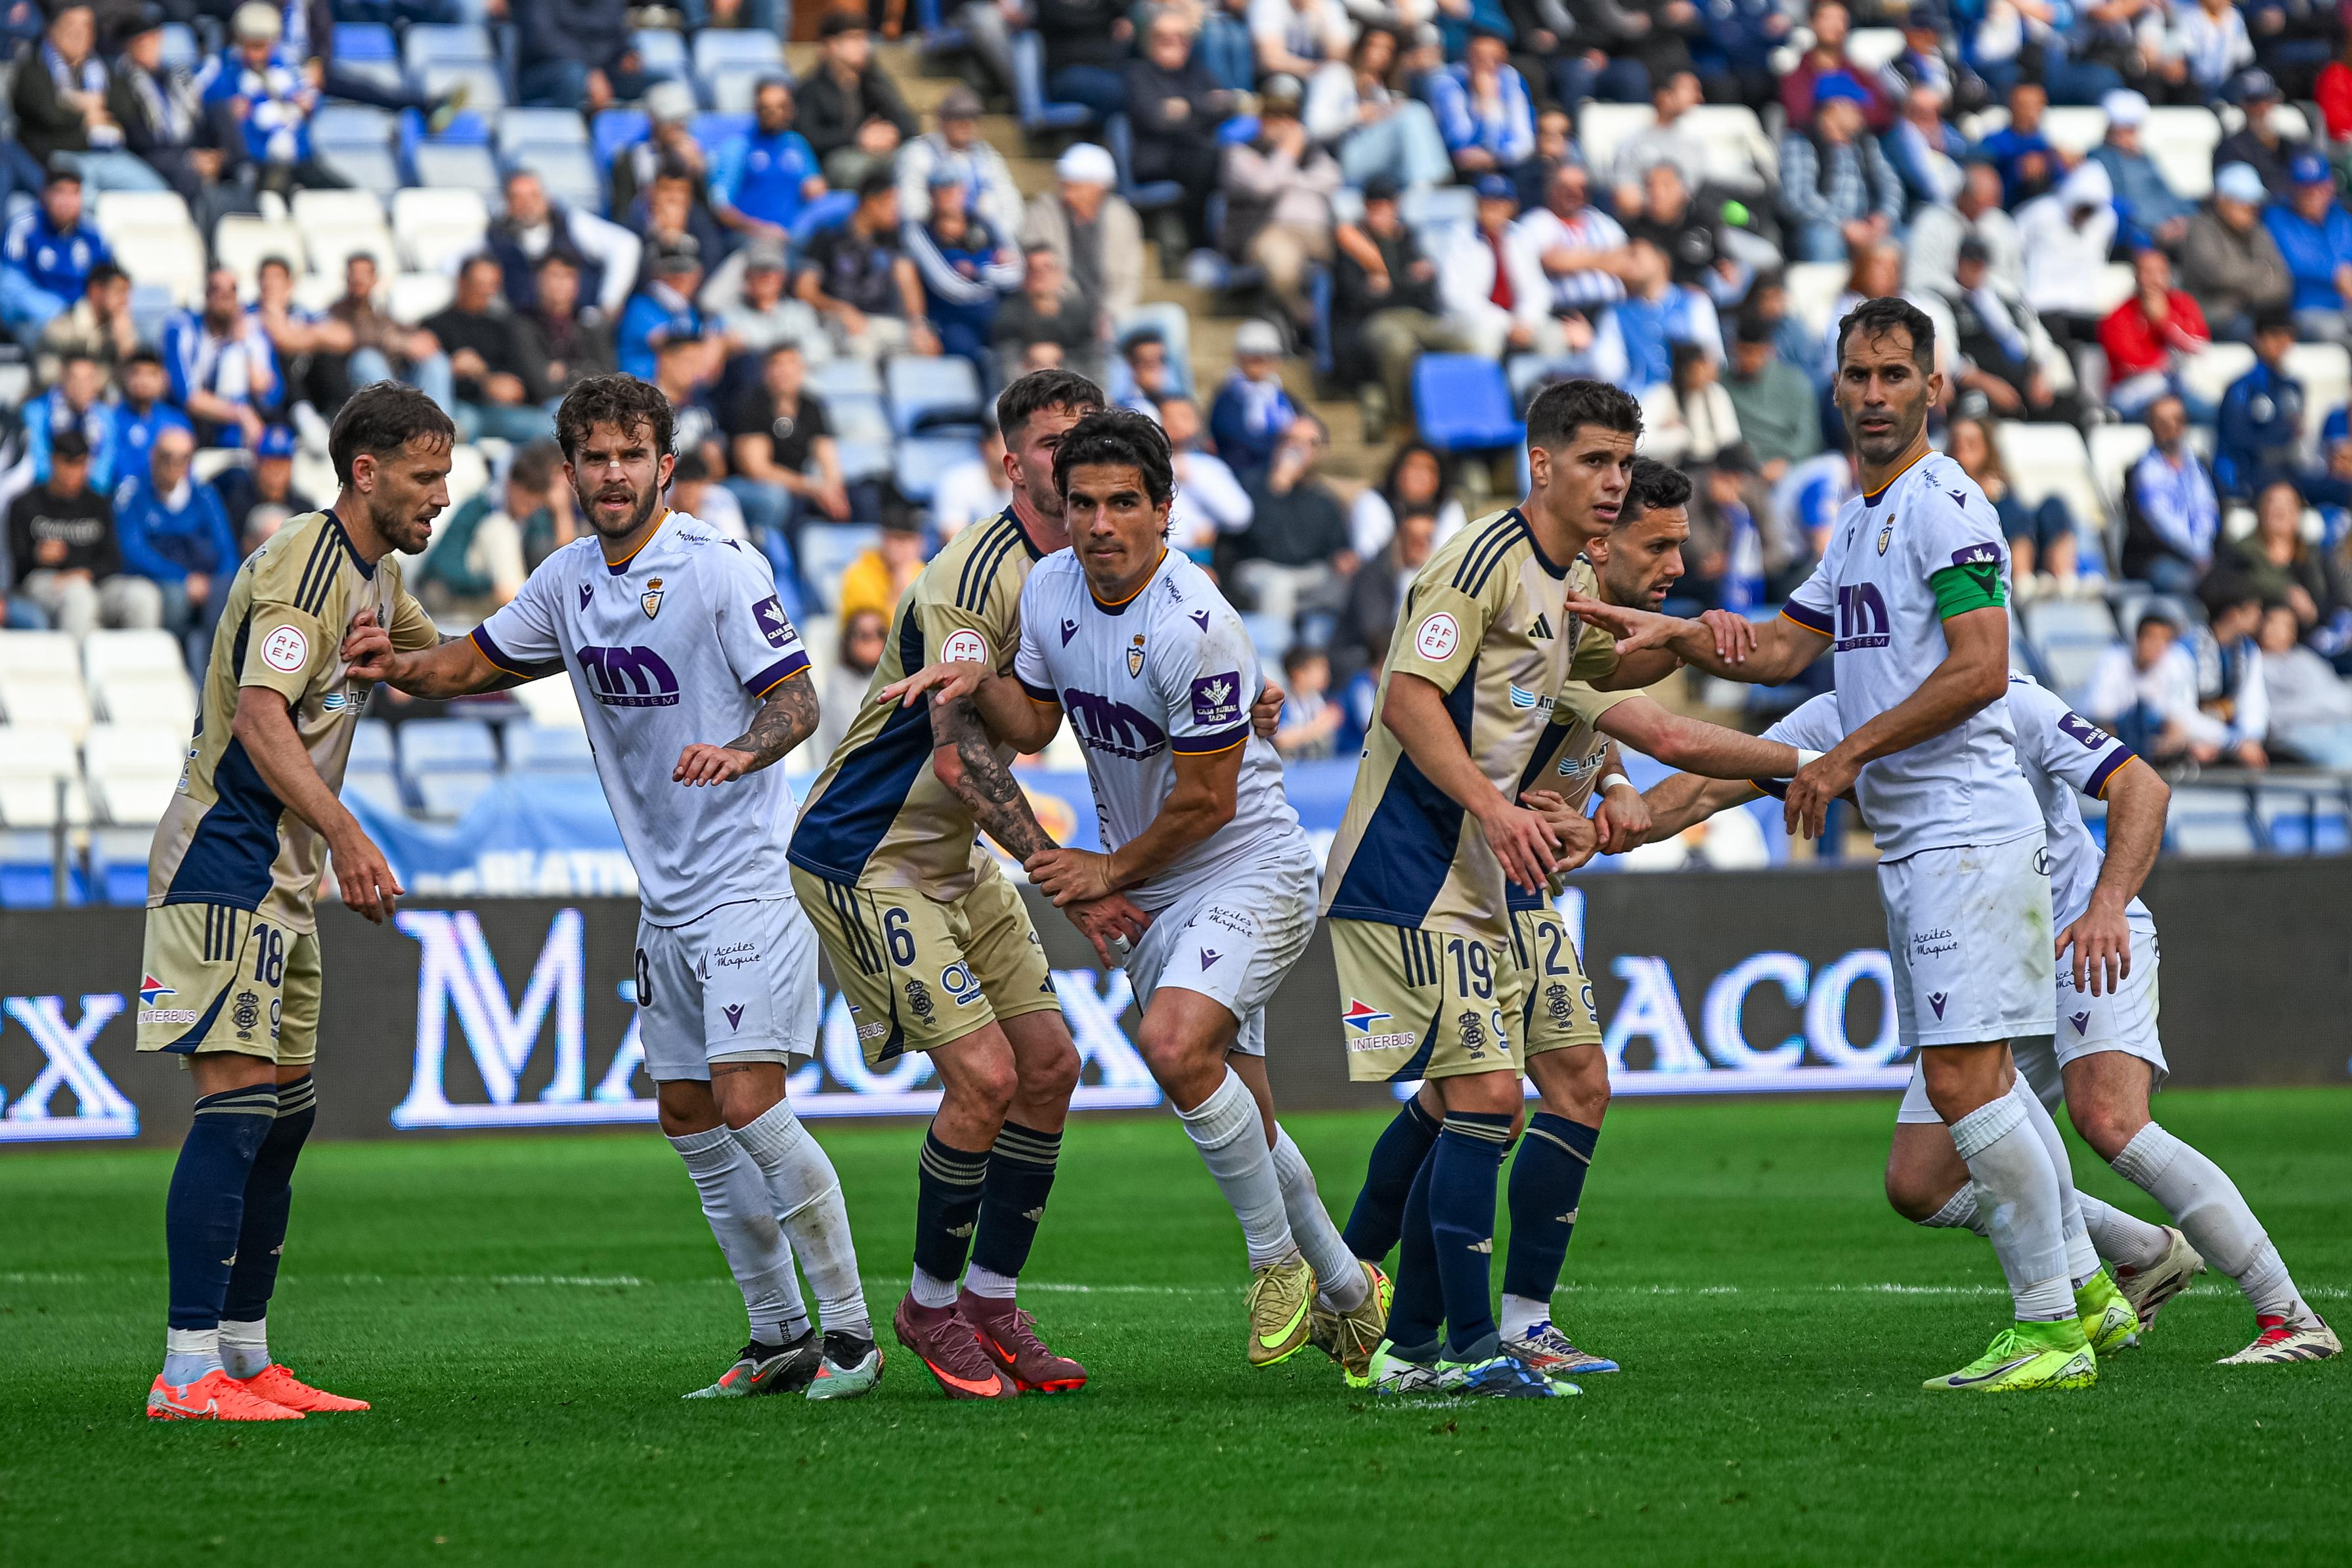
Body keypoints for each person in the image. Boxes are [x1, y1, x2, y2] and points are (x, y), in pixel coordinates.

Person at [1573, 298, 2103, 1393]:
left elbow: (1979, 668)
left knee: (1966, 1082)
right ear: (1835, 386)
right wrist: (1682, 631)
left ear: (1932, 389)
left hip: (1963, 827)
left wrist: (1841, 755)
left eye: (1893, 375)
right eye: (1856, 375)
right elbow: (1780, 647)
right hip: (1920, 840)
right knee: (1980, 1077)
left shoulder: (1945, 507)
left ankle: (2050, 1322)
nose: (1872, 394)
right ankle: (2089, 1291)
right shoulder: (1861, 515)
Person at [340, 374, 879, 1402]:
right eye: (595, 457)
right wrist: (391, 664)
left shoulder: (721, 566)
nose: (614, 473)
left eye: (632, 455)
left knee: (748, 1104)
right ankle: (778, 1337)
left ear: (665, 467)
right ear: (573, 472)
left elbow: (799, 700)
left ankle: (850, 1336)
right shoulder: (567, 580)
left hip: (751, 879)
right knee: (685, 1112)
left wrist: (739, 749)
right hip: (666, 895)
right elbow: (471, 663)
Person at [882, 406, 1389, 1378]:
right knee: (1239, 1107)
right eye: (1082, 504)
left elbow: (1205, 799)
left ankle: (1274, 1264)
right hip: (1158, 888)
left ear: (1166, 511)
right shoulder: (1047, 588)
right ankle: (1353, 1296)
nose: (1100, 524)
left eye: (1124, 504)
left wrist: (1103, 873)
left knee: (1169, 1048)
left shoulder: (1196, 628)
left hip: (1246, 866)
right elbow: (1032, 721)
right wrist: (971, 669)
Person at [1643, 673, 2336, 1364]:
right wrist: (1609, 828)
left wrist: (2106, 905)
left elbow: (2142, 786)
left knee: (2110, 1121)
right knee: (1920, 1184)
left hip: (2081, 934)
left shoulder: (2010, 700)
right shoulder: (1841, 712)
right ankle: (2142, 1254)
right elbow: (1708, 786)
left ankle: (2291, 1318)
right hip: (1988, 967)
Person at [1337, 456, 1802, 1380]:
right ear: (1598, 537)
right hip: (1450, 865)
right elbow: (1636, 717)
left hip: (1519, 866)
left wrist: (1616, 782)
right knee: (1476, 1103)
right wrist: (1810, 758)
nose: (1676, 566)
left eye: (1681, 546)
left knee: (1567, 1085)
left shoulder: (1578, 610)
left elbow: (1594, 713)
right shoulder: (1536, 593)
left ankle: (1506, 1321)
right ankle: (1363, 1297)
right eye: (1657, 546)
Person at [783, 370, 1120, 1402]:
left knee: (1051, 1066)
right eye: (1049, 444)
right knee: (981, 1078)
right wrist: (1071, 881)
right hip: (867, 851)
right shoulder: (968, 579)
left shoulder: (1086, 566)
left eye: (1083, 440)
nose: (1069, 461)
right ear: (1008, 460)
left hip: (955, 854)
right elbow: (959, 756)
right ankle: (927, 1308)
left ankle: (987, 1299)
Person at [1315, 380, 1636, 1397]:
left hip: (1471, 876)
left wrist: (1597, 786)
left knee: (1479, 1105)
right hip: (1405, 866)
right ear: (1540, 463)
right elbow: (1407, 696)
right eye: (1595, 461)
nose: (1614, 483)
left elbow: (1589, 712)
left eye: (1623, 464)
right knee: (1488, 1097)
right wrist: (1496, 812)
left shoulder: (1563, 580)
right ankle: (1453, 1343)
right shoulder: (1483, 559)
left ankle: (1407, 1346)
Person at [135, 383, 446, 1422]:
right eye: (425, 476)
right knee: (232, 1112)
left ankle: (244, 1356)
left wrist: (407, 659)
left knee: (284, 1117)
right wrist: (351, 836)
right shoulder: (305, 569)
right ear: (366, 471)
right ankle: (185, 1377)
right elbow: (265, 722)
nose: (439, 497)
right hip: (225, 861)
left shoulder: (378, 571)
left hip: (283, 880)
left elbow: (437, 661)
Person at [1332, 174, 1463, 440]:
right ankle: (1399, 417)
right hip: (1372, 323)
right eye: (1375, 206)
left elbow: (1426, 288)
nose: (1382, 213)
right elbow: (1357, 298)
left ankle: (1457, 419)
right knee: (1399, 346)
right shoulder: (1352, 240)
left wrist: (1391, 285)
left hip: (1416, 317)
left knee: (1468, 343)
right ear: (1366, 207)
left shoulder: (1407, 237)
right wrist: (1405, 283)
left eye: (1387, 205)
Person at [1219, 76, 1343, 333]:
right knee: (1283, 267)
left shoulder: (1314, 152)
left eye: (1290, 115)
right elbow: (1264, 185)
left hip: (1320, 233)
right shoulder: (1239, 152)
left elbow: (1333, 179)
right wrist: (1289, 149)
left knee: (1355, 256)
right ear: (1261, 117)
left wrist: (1287, 176)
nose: (1283, 123)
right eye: (1274, 115)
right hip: (1267, 233)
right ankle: (1305, 321)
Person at [5, 426, 156, 635]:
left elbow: (113, 560)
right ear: (53, 460)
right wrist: (36, 555)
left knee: (143, 595)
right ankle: (75, 667)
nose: (72, 473)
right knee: (79, 597)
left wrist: (87, 573)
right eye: (66, 463)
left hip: (93, 582)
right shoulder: (25, 504)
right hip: (45, 582)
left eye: (79, 465)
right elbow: (16, 564)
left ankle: (140, 667)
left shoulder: (98, 504)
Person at [726, 341, 869, 559]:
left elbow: (828, 456)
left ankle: (852, 566)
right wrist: (812, 488)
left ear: (802, 370)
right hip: (748, 487)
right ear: (766, 371)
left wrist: (833, 488)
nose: (784, 371)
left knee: (862, 499)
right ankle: (772, 563)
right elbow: (757, 469)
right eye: (777, 365)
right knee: (776, 498)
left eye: (791, 364)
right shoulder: (751, 404)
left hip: (798, 485)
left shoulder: (812, 405)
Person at [114, 424, 240, 664]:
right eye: (166, 457)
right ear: (153, 456)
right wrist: (184, 578)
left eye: (183, 458)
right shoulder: (133, 495)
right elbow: (133, 551)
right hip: (159, 580)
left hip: (204, 581)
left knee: (227, 592)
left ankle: (213, 671)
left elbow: (226, 550)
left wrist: (216, 582)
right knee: (174, 598)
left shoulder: (205, 495)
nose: (174, 465)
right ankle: (169, 665)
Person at [11, 1, 165, 194]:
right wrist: (89, 118)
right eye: (71, 26)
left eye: (86, 27)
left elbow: (126, 108)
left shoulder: (103, 69)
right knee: (84, 204)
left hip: (110, 155)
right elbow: (50, 118)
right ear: (52, 30)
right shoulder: (34, 68)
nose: (79, 34)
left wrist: (81, 102)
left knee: (157, 192)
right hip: (60, 159)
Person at [202, 2, 341, 200]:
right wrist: (226, 110)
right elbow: (201, 100)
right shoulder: (222, 70)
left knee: (346, 197)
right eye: (249, 45)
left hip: (300, 161)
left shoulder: (289, 67)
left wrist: (308, 106)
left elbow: (312, 100)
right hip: (254, 166)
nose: (255, 54)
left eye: (261, 46)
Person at [796, 171, 939, 364]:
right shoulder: (829, 236)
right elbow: (804, 289)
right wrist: (840, 309)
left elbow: (908, 282)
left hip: (882, 321)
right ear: (872, 203)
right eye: (892, 204)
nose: (897, 211)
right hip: (837, 320)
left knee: (924, 347)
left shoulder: (892, 241)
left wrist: (919, 325)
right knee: (861, 346)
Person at [1124, 14, 1234, 257]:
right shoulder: (1138, 74)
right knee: (1204, 162)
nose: (1175, 44)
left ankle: (1225, 245)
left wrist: (1185, 108)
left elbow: (1226, 105)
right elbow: (1154, 119)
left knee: (1228, 160)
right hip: (1156, 158)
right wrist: (1203, 108)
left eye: (1181, 38)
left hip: (1195, 151)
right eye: (1165, 39)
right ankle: (1198, 244)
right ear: (1150, 42)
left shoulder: (1197, 71)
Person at [1233, 413, 1353, 632]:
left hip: (1308, 574)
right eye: (1288, 440)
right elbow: (1263, 544)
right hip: (1259, 569)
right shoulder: (1251, 484)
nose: (1295, 448)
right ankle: (1273, 657)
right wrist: (1278, 489)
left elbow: (1339, 551)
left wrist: (1345, 560)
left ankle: (1313, 656)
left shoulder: (1325, 499)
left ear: (1321, 451)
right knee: (1279, 585)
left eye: (1307, 443)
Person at [1301, 24, 1451, 192]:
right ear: (1360, 46)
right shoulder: (1335, 74)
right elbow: (1313, 128)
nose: (1379, 53)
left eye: (1387, 49)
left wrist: (1387, 113)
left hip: (1377, 158)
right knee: (1414, 114)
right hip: (1341, 157)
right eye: (1373, 45)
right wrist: (1357, 115)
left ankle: (1427, 185)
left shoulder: (1382, 89)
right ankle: (1424, 188)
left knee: (1414, 112)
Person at [422, 257, 554, 445]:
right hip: (456, 407)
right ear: (461, 281)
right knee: (465, 424)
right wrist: (457, 370)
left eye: (492, 285)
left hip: (496, 410)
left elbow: (517, 383)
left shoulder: (503, 326)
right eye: (479, 284)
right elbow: (430, 381)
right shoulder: (434, 325)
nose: (485, 291)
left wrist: (494, 380)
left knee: (547, 426)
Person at [1775, 73, 1903, 263]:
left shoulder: (1866, 144)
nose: (1862, 115)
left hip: (1865, 225)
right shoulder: (1801, 142)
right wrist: (1844, 224)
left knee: (1903, 240)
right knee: (1822, 239)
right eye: (1856, 108)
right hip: (1824, 227)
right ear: (1834, 108)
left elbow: (1890, 183)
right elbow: (1798, 199)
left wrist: (1884, 216)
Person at [485, 169, 642, 320]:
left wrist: (608, 304)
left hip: (578, 327)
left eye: (533, 196)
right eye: (518, 198)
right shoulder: (495, 239)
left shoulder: (573, 223)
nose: (527, 204)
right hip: (526, 331)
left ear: (545, 197)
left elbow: (626, 245)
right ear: (506, 203)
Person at [1948, 412, 2081, 589]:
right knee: (2009, 507)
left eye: (1971, 444)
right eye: (1958, 444)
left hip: (2024, 550)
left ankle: (2065, 578)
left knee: (2053, 503)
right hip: (1985, 557)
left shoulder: (2000, 484)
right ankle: (2023, 578)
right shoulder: (1944, 483)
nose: (1963, 449)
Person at [1440, 172, 1561, 362]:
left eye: (1501, 202)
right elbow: (1454, 296)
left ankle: (1545, 391)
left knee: (1553, 336)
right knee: (1485, 340)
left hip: (1519, 321)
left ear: (1512, 207)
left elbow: (1538, 289)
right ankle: (1486, 392)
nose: (1494, 208)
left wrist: (1526, 320)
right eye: (1487, 202)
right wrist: (1506, 324)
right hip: (1472, 321)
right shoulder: (1459, 237)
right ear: (1477, 205)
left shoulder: (1520, 236)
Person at [1023, 143, 1143, 324]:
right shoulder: (1042, 214)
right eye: (1065, 187)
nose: (1068, 195)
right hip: (1062, 313)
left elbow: (1130, 278)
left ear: (1099, 189)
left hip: (1112, 314)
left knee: (1169, 319)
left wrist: (1110, 314)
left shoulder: (1122, 217)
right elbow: (1041, 274)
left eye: (1076, 188)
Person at [162, 268, 282, 449]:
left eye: (232, 289)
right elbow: (186, 395)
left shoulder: (252, 331)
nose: (224, 296)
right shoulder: (183, 328)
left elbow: (272, 393)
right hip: (192, 424)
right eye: (216, 289)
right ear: (205, 294)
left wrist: (244, 348)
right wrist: (240, 414)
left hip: (245, 424)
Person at [798, 12, 917, 189]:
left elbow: (909, 126)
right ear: (831, 44)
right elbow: (809, 137)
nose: (863, 45)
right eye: (854, 38)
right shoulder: (811, 88)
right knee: (858, 170)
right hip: (833, 163)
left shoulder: (873, 82)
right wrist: (857, 138)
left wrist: (888, 134)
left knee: (915, 158)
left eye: (864, 38)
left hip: (878, 156)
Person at [2181, 163, 2294, 343]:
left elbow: (2283, 281)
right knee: (2262, 337)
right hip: (2213, 317)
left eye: (2253, 201)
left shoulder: (2258, 231)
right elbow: (2219, 275)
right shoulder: (2200, 229)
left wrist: (2241, 288)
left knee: (2288, 331)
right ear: (2222, 200)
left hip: (2257, 314)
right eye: (2242, 200)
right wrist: (2261, 273)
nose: (2250, 207)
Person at [2017, 160, 2119, 355]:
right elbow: (2014, 244)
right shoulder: (2040, 213)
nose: (2085, 215)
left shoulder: (2105, 222)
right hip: (2043, 302)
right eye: (2082, 207)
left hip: (2084, 303)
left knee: (2108, 337)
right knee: (2061, 346)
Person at [1, 163, 112, 339]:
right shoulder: (25, 227)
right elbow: (10, 284)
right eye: (60, 192)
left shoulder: (92, 232)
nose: (67, 201)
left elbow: (106, 278)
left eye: (74, 193)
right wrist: (58, 311)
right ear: (44, 195)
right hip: (39, 320)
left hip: (85, 316)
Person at [2099, 248, 2211, 420]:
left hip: (2177, 392)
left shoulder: (2183, 304)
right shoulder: (2117, 317)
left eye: (2161, 272)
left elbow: (2200, 347)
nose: (2154, 279)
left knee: (2215, 414)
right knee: (2164, 401)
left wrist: (2165, 323)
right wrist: (2167, 363)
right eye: (2148, 272)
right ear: (2136, 276)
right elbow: (2131, 364)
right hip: (2134, 395)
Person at [2123, 394, 2221, 592]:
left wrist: (2207, 555)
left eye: (2178, 420)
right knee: (2190, 582)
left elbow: (2218, 516)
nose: (2172, 428)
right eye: (2163, 422)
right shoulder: (2139, 474)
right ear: (2151, 426)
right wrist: (2194, 556)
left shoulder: (2202, 467)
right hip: (2157, 558)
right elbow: (2146, 532)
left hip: (2206, 554)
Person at [1512, 162, 1628, 317]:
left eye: (1581, 188)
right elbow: (1551, 261)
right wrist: (1605, 258)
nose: (1574, 193)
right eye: (1565, 187)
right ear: (1550, 189)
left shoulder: (1603, 222)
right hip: (1564, 312)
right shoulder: (1535, 223)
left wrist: (1572, 259)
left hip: (1613, 309)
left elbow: (1627, 262)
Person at [2263, 151, 2352, 347]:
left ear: (2330, 186)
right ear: (2292, 189)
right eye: (2305, 189)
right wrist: (2335, 274)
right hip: (2306, 308)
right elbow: (2293, 261)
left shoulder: (2341, 216)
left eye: (2319, 187)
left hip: (2346, 305)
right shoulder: (2277, 218)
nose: (2313, 195)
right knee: (2333, 333)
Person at [2232, 479, 2345, 632]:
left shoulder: (2316, 557)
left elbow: (2341, 598)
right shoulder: (2239, 552)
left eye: (2288, 503)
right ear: (2260, 510)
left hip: (2310, 642)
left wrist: (2316, 617)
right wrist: (2285, 594)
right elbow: (2221, 588)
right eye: (2272, 502)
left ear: (2300, 512)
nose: (2279, 509)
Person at [1336, 502, 1433, 680]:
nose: (1423, 545)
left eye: (1428, 538)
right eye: (1415, 538)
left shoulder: (1426, 574)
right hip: (1358, 661)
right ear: (1399, 537)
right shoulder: (1374, 573)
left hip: (1393, 657)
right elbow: (1373, 632)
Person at [1906, 160, 2024, 299]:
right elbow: (1918, 277)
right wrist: (1962, 292)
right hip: (1942, 300)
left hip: (1993, 300)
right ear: (1964, 196)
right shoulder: (1931, 221)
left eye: (1992, 203)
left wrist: (1984, 287)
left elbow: (2016, 279)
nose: (1987, 209)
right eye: (1980, 203)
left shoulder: (2002, 224)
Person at [1723, 313, 1821, 481]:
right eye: (1744, 351)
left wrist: (1786, 461)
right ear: (1734, 348)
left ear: (1769, 350)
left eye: (1755, 352)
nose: (1749, 359)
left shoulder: (1795, 381)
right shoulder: (1722, 385)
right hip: (1744, 472)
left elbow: (1809, 436)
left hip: (1792, 467)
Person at [2092, 90, 2193, 253]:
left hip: (2168, 226)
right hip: (2140, 234)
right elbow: (2121, 205)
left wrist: (2182, 218)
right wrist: (2157, 227)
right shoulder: (2101, 159)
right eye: (2127, 130)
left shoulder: (2145, 158)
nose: (2132, 136)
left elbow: (2167, 193)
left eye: (2134, 130)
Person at [1426, 29, 1535, 179]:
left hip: (1503, 163)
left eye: (1495, 59)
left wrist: (1499, 157)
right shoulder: (1448, 82)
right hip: (1460, 165)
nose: (1488, 65)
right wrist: (1484, 102)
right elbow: (1458, 139)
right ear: (1468, 57)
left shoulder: (1510, 78)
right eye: (1480, 58)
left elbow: (1524, 140)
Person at [2256, 600, 2352, 766]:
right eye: (2271, 622)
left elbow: (2337, 691)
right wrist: (2326, 707)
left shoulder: (2304, 658)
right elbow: (2272, 715)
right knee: (2346, 762)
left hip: (2336, 723)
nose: (2276, 630)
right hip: (2295, 733)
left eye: (2285, 625)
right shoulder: (2256, 663)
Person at [993, 245, 1099, 385]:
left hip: (1072, 385)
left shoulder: (1079, 313)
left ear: (1060, 273)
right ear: (1024, 274)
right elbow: (1004, 358)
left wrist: (1061, 358)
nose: (1040, 274)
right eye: (1032, 268)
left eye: (1047, 268)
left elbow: (1093, 357)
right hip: (1023, 385)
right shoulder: (1007, 313)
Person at [1206, 318, 1297, 483]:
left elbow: (1307, 424)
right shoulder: (1228, 396)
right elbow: (1232, 436)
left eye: (1266, 357)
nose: (1260, 364)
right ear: (1240, 358)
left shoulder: (1282, 397)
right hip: (1242, 472)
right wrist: (1277, 446)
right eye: (1253, 358)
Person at [515, 252, 616, 398]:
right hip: (541, 406)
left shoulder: (591, 323)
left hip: (591, 402)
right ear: (538, 279)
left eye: (569, 276)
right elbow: (541, 385)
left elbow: (608, 377)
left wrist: (568, 371)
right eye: (555, 275)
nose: (561, 283)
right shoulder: (523, 323)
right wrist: (587, 370)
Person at [213, 424, 319, 558]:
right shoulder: (236, 503)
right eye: (270, 464)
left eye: (282, 464)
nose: (276, 472)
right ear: (257, 464)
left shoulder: (306, 510)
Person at [1351, 439, 1466, 560]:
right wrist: (1405, 539)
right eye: (1413, 467)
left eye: (1428, 469)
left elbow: (1452, 559)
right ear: (1398, 472)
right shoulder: (1373, 501)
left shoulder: (1448, 507)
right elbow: (1369, 554)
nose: (1420, 476)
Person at [22, 349, 117, 490]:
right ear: (63, 377)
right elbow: (38, 463)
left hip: (91, 496)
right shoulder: (35, 412)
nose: (81, 386)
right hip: (48, 494)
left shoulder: (105, 416)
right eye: (75, 378)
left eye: (88, 379)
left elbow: (105, 466)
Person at [837, 515, 925, 626]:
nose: (903, 547)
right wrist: (897, 596)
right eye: (897, 538)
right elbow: (870, 634)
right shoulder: (858, 574)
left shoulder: (925, 574)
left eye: (909, 539)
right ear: (883, 539)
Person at [932, 422, 1014, 540]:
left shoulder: (1027, 482)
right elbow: (954, 542)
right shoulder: (957, 480)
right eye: (1009, 443)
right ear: (987, 447)